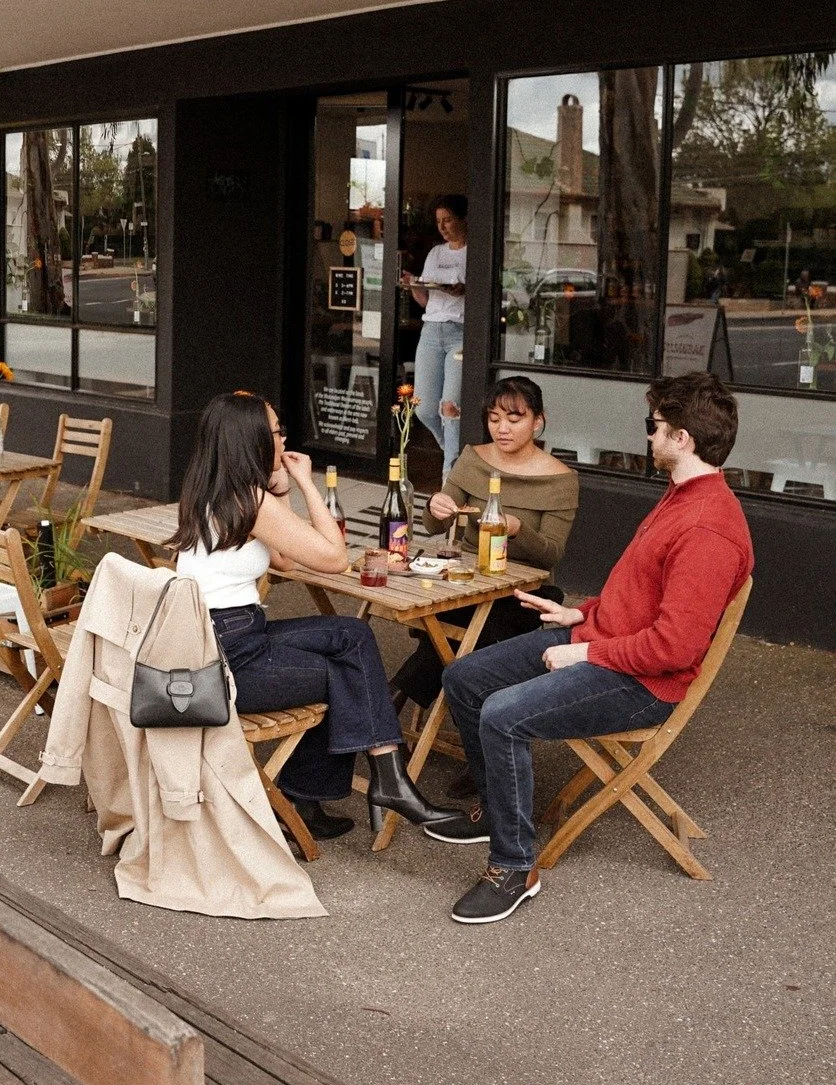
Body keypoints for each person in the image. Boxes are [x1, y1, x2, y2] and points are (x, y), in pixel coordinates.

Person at [428, 372, 753, 924]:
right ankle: (496, 810)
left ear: (684, 440)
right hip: (604, 640)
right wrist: (584, 614)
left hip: (643, 683)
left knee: (502, 715)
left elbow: (674, 647)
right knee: (464, 679)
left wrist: (584, 653)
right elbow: (642, 591)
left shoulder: (708, 528)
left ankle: (513, 867)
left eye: (655, 426)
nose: (647, 435)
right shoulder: (681, 497)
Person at [170, 391, 460, 841]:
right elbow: (333, 558)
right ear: (250, 439)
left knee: (351, 635)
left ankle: (341, 791)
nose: (283, 437)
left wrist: (281, 489)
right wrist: (307, 484)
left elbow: (283, 560)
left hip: (224, 637)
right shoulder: (250, 500)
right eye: (276, 431)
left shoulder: (211, 490)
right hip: (226, 663)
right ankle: (381, 784)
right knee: (346, 674)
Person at [392, 375, 579, 716]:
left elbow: (552, 554)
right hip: (467, 579)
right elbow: (435, 524)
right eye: (494, 419)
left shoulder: (560, 479)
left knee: (470, 630)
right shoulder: (474, 459)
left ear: (538, 421)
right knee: (456, 619)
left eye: (514, 418)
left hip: (524, 590)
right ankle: (477, 727)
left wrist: (518, 529)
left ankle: (395, 696)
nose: (502, 429)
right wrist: (435, 505)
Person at [401, 196, 467, 481]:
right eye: (439, 221)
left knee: (450, 407)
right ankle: (452, 452)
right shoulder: (436, 253)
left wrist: (463, 291)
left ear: (463, 220)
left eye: (448, 220)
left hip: (460, 332)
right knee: (424, 408)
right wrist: (413, 285)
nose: (442, 227)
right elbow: (425, 298)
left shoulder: (473, 253)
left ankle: (449, 475)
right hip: (430, 332)